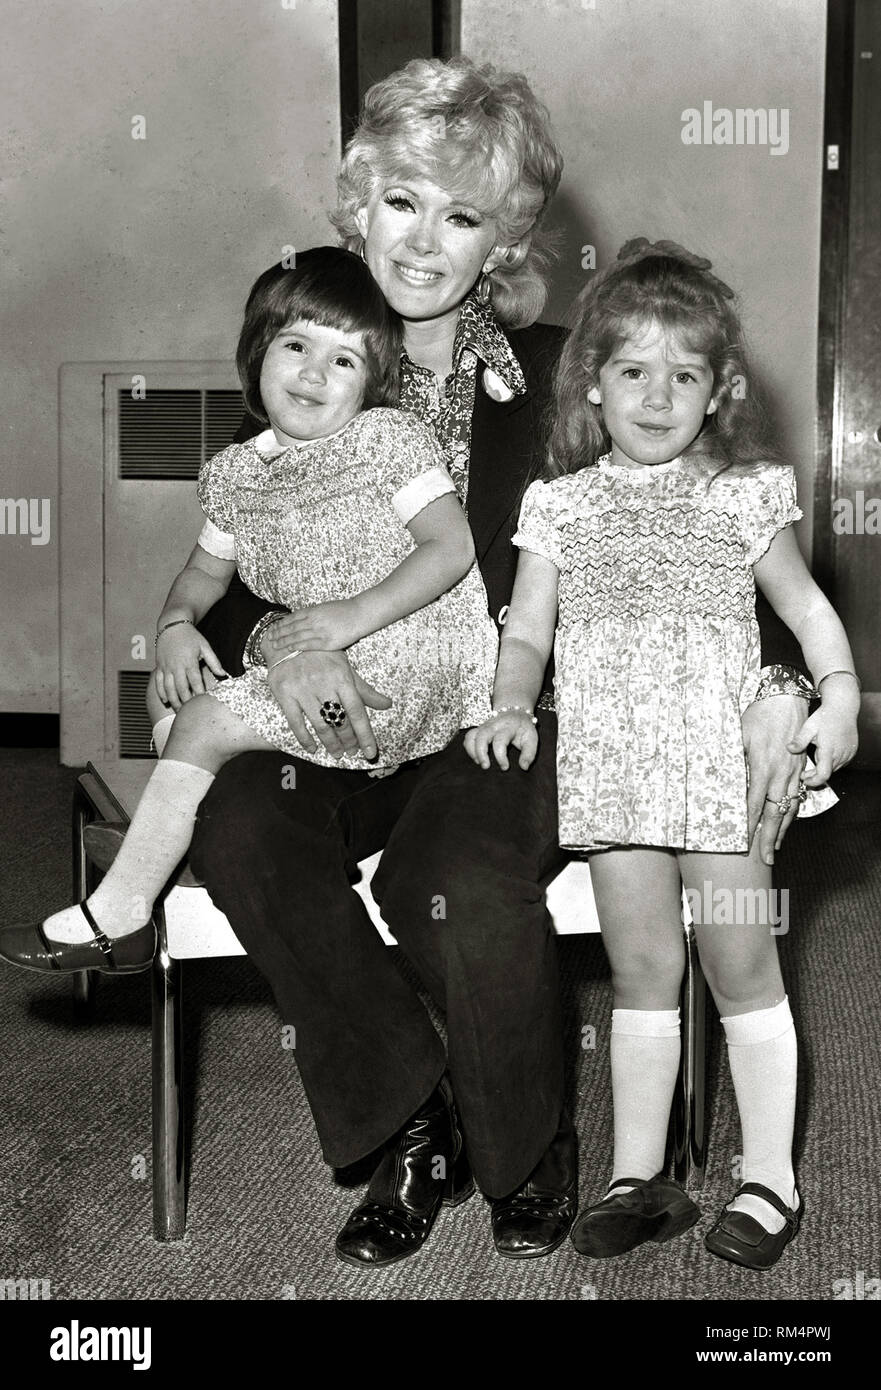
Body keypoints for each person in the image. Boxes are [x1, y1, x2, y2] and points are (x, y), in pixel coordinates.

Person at [74, 58, 815, 1268]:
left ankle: (523, 1148)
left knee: (455, 870)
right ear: (354, 206)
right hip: (342, 714)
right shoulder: (302, 346)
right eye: (403, 202)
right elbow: (234, 573)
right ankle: (409, 1115)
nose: (424, 240)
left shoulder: (571, 376)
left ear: (504, 234)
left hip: (508, 716)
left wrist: (782, 684)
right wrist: (250, 636)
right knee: (242, 825)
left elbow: (709, 525)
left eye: (462, 214)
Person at [466, 238, 859, 1271]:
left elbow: (807, 610)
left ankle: (767, 1174)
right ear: (591, 380)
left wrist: (842, 694)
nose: (655, 394)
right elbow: (526, 632)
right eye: (631, 369)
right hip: (612, 774)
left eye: (682, 374)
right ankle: (638, 1177)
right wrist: (510, 700)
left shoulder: (743, 493)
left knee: (740, 968)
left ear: (716, 389)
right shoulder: (559, 504)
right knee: (640, 970)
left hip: (721, 781)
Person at [0, 246, 496, 971]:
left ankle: (123, 914)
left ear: (370, 386)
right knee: (170, 700)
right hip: (322, 667)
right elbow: (203, 571)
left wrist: (348, 617)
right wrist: (173, 628)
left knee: (200, 724)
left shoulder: (387, 442)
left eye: (345, 361)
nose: (314, 374)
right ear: (257, 350)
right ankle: (168, 841)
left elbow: (449, 548)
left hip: (404, 662)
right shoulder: (237, 474)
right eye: (297, 345)